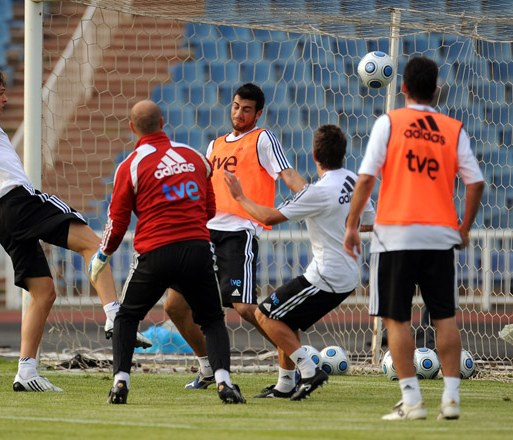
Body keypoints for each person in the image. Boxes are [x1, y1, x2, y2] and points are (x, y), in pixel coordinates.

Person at [0, 64, 149, 393]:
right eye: (1, 93)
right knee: (94, 244)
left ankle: (26, 371)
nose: (5, 100)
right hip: (18, 201)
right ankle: (115, 316)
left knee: (43, 292)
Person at [343, 56, 484, 420]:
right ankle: (451, 401)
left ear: (402, 87)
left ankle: (412, 401)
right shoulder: (453, 128)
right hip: (439, 234)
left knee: (397, 319)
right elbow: (476, 182)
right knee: (445, 317)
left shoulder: (389, 122)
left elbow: (365, 178)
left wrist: (352, 224)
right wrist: (463, 228)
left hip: (395, 234)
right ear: (436, 90)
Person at [89, 99, 245, 404]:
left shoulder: (130, 165)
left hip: (156, 252)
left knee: (126, 317)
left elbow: (117, 221)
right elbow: (210, 208)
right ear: (163, 123)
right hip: (198, 249)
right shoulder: (196, 157)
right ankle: (224, 382)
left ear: (132, 128)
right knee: (212, 319)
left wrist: (102, 255)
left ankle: (120, 383)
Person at [164, 82, 306, 390]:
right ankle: (206, 368)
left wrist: (312, 196)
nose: (239, 113)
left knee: (243, 307)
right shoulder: (215, 145)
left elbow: (287, 173)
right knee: (174, 306)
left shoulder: (262, 138)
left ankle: (293, 357)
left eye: (246, 109)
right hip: (203, 232)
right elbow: (201, 187)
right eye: (235, 106)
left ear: (258, 113)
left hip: (238, 232)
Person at [224, 124, 375, 400]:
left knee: (264, 314)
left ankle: (308, 371)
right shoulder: (352, 180)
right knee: (284, 318)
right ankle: (284, 385)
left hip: (326, 276)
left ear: (314, 155)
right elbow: (368, 223)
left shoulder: (316, 192)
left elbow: (268, 217)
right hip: (349, 273)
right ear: (343, 154)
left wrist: (239, 197)